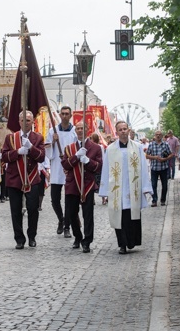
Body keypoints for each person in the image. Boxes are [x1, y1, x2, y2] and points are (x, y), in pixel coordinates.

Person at [99, 121, 152, 254]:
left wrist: (145, 187)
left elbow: (143, 168)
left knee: (130, 216)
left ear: (128, 131)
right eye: (120, 129)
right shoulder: (110, 149)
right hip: (116, 188)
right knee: (119, 217)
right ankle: (122, 244)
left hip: (132, 186)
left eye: (125, 129)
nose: (123, 131)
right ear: (116, 132)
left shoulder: (137, 147)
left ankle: (131, 241)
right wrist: (104, 191)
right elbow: (105, 169)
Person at [1, 110, 45, 249]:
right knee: (15, 210)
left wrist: (31, 148)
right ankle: (19, 239)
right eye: (23, 120)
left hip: (32, 178)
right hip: (14, 178)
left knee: (33, 209)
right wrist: (17, 152)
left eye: (28, 120)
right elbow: (4, 156)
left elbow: (42, 157)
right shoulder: (10, 138)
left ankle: (32, 236)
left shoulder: (38, 138)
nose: (25, 123)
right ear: (19, 122)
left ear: (33, 122)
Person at [61, 121, 102, 253]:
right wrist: (76, 157)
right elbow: (65, 165)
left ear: (87, 129)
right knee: (72, 213)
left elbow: (99, 166)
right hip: (72, 184)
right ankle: (78, 237)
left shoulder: (95, 147)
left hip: (87, 184)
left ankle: (87, 241)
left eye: (82, 128)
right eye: (77, 128)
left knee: (88, 214)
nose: (79, 130)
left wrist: (88, 161)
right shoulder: (69, 148)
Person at [45, 106, 77, 237]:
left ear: (70, 115)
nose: (64, 116)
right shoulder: (53, 130)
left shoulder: (75, 131)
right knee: (54, 199)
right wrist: (53, 141)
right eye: (62, 114)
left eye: (67, 114)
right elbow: (47, 149)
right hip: (57, 167)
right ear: (60, 114)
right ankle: (61, 219)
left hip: (69, 167)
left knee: (69, 199)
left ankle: (67, 226)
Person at [146, 130, 173, 206]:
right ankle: (154, 200)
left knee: (164, 185)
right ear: (154, 135)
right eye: (156, 134)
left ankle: (163, 200)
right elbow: (146, 155)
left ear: (162, 136)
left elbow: (171, 154)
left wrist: (164, 159)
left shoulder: (166, 144)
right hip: (154, 168)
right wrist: (154, 157)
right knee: (153, 185)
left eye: (159, 134)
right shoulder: (151, 145)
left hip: (163, 168)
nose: (158, 136)